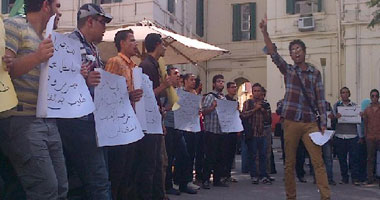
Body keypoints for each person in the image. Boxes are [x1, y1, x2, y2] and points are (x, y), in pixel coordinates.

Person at [0, 0, 68, 199]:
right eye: (57, 6)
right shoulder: (14, 25)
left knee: (61, 187)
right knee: (45, 190)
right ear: (45, 6)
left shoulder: (49, 38)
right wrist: (38, 56)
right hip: (22, 120)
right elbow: (6, 71)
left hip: (47, 120)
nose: (60, 12)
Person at [260, 17, 330, 200]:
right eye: (292, 51)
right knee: (289, 163)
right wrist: (265, 32)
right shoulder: (289, 71)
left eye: (298, 49)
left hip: (310, 123)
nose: (296, 52)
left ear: (304, 52)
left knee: (318, 162)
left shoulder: (315, 74)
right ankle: (291, 197)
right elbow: (273, 54)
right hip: (290, 121)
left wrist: (323, 123)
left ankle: (326, 196)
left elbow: (321, 100)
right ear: (291, 56)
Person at [57, 3, 113, 199]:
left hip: (92, 121)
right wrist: (83, 80)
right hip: (77, 122)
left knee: (87, 180)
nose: (105, 27)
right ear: (90, 21)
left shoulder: (94, 49)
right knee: (98, 180)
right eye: (102, 22)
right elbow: (57, 81)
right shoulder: (68, 43)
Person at [104, 29, 144, 199]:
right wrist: (128, 96)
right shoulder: (115, 62)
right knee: (118, 170)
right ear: (122, 43)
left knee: (129, 169)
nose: (136, 44)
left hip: (132, 123)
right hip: (118, 126)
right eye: (132, 40)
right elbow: (107, 92)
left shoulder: (134, 67)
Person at [136, 33, 172, 200]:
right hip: (147, 123)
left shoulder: (156, 65)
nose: (165, 48)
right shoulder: (146, 66)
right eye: (163, 44)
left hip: (155, 119)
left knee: (158, 163)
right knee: (150, 164)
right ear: (157, 44)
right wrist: (164, 85)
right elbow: (145, 95)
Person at [201, 74, 228, 189]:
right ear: (214, 84)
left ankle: (217, 179)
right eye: (218, 81)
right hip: (211, 131)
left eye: (222, 81)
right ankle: (205, 180)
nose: (221, 83)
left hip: (221, 131)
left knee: (220, 156)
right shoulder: (210, 97)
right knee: (210, 156)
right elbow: (203, 111)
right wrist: (212, 107)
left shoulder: (224, 98)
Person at [241, 83, 272, 185]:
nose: (257, 93)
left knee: (263, 155)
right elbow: (244, 115)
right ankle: (254, 175)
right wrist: (255, 109)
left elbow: (268, 120)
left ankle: (263, 175)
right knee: (253, 155)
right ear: (252, 92)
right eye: (255, 91)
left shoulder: (265, 104)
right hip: (252, 133)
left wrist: (263, 111)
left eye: (259, 91)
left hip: (262, 133)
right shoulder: (247, 103)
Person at [331, 87, 360, 185]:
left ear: (349, 94)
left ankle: (355, 177)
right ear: (340, 94)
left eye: (346, 92)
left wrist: (359, 116)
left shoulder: (355, 106)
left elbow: (358, 120)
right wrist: (335, 117)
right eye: (343, 92)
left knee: (353, 158)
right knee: (342, 158)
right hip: (340, 135)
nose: (345, 94)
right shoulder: (336, 106)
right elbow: (332, 121)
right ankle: (344, 178)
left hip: (352, 135)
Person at [222, 81, 239, 183]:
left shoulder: (235, 100)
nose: (234, 89)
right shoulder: (224, 100)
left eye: (235, 87)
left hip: (234, 130)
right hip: (226, 131)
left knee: (232, 153)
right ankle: (223, 174)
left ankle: (228, 174)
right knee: (225, 153)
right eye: (232, 87)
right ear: (228, 89)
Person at [363, 89, 380, 185]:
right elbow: (365, 124)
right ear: (370, 97)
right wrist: (365, 136)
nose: (374, 98)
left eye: (376, 96)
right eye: (372, 96)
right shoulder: (367, 110)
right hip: (370, 137)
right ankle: (370, 178)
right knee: (370, 158)